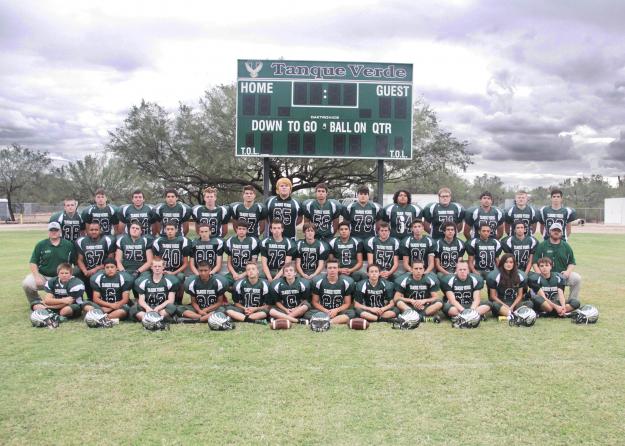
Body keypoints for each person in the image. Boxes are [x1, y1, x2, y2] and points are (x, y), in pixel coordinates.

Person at [23, 222, 76, 307]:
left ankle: (67, 301)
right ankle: (36, 302)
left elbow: (75, 263)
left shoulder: (68, 245)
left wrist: (71, 277)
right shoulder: (41, 244)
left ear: (60, 231)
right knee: (27, 283)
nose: (54, 232)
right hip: (44, 276)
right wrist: (37, 277)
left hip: (62, 277)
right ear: (48, 232)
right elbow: (33, 262)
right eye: (51, 230)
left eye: (56, 230)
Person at [532, 222, 581, 302]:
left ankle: (572, 301)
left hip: (561, 275)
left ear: (561, 233)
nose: (556, 232)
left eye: (558, 231)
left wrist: (567, 272)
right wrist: (539, 274)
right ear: (549, 232)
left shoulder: (566, 246)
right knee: (555, 301)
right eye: (554, 230)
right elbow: (534, 262)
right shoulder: (542, 245)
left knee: (577, 278)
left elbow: (572, 262)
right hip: (547, 276)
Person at [151, 222, 191, 304]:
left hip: (177, 271)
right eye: (168, 229)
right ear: (164, 230)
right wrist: (162, 271)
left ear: (176, 230)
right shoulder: (159, 241)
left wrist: (173, 273)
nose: (170, 231)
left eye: (172, 229)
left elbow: (186, 263)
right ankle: (162, 301)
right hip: (163, 270)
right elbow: (157, 261)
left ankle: (178, 301)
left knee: (181, 276)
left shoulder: (182, 241)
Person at [307, 259, 356, 324]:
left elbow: (347, 303)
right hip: (323, 310)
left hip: (339, 311)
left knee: (352, 313)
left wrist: (336, 310)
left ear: (338, 269)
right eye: (329, 268)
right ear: (326, 269)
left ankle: (326, 321)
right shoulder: (318, 281)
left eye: (334, 268)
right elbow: (315, 302)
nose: (332, 270)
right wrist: (326, 311)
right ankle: (333, 320)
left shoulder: (346, 282)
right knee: (307, 314)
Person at [130, 257, 178, 322]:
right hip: (148, 307)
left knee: (172, 307)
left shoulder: (170, 280)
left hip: (162, 308)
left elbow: (170, 300)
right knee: (134, 308)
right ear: (151, 267)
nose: (157, 268)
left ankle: (148, 319)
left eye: (159, 266)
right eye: (155, 266)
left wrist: (158, 308)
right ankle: (158, 319)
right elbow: (141, 300)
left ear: (163, 267)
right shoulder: (143, 281)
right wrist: (148, 308)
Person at [75, 222, 116, 299]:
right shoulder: (81, 241)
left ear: (100, 230)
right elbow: (80, 260)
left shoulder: (107, 240)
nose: (94, 232)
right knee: (75, 273)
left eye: (96, 230)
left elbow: (110, 260)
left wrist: (96, 269)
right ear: (87, 231)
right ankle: (78, 299)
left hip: (102, 269)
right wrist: (85, 271)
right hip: (87, 270)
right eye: (91, 230)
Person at [486, 253, 532, 318]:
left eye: (511, 262)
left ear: (514, 264)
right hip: (501, 303)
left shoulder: (520, 275)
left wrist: (512, 306)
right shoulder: (495, 275)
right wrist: (506, 306)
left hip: (514, 303)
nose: (508, 264)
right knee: (494, 304)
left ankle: (511, 314)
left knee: (529, 303)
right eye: (506, 262)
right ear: (502, 263)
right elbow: (493, 296)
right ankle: (516, 315)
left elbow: (519, 295)